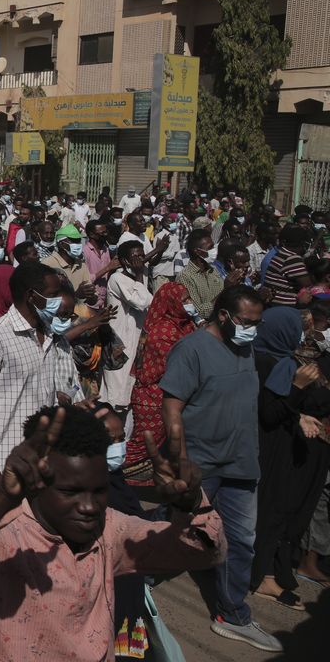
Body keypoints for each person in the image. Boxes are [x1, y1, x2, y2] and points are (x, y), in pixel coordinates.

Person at [0, 404, 225, 662]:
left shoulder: (110, 530)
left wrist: (192, 503)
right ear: (37, 485)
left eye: (99, 491)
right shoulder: (4, 533)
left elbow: (206, 552)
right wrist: (1, 499)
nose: (89, 506)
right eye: (71, 492)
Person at [160, 285, 282, 652]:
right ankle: (135, 578)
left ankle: (233, 615)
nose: (253, 330)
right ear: (224, 316)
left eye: (257, 323)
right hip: (199, 465)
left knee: (241, 540)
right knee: (176, 529)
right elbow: (172, 408)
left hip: (242, 463)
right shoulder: (192, 349)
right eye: (247, 322)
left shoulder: (244, 347)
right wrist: (180, 462)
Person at [0, 261, 80, 484]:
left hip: (40, 462)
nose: (58, 300)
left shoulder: (50, 334)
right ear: (32, 296)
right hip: (3, 462)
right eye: (53, 295)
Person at [250, 306, 330, 610]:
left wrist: (298, 416)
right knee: (271, 510)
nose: (301, 335)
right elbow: (271, 412)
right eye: (296, 328)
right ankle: (262, 576)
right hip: (270, 450)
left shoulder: (279, 361)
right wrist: (297, 390)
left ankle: (271, 571)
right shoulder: (268, 363)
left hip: (282, 446)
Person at [123, 282, 197, 487]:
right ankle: (119, 482)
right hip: (153, 397)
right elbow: (161, 369)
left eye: (189, 298)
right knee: (144, 444)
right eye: (185, 300)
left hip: (175, 395)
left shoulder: (187, 324)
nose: (190, 303)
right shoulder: (161, 332)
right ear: (172, 303)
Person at [101, 241, 153, 408]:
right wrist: (139, 275)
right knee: (117, 392)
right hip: (120, 341)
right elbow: (140, 302)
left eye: (141, 256)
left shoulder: (139, 277)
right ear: (124, 260)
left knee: (132, 389)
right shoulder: (117, 278)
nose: (140, 260)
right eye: (135, 257)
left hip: (136, 338)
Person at [177, 228, 223, 321]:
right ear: (197, 251)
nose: (214, 250)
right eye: (210, 248)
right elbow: (198, 311)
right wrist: (225, 290)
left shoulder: (213, 270)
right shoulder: (185, 276)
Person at [264, 225, 313, 307]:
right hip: (285, 306)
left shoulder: (281, 253)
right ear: (303, 243)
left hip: (273, 303)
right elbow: (307, 283)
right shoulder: (292, 258)